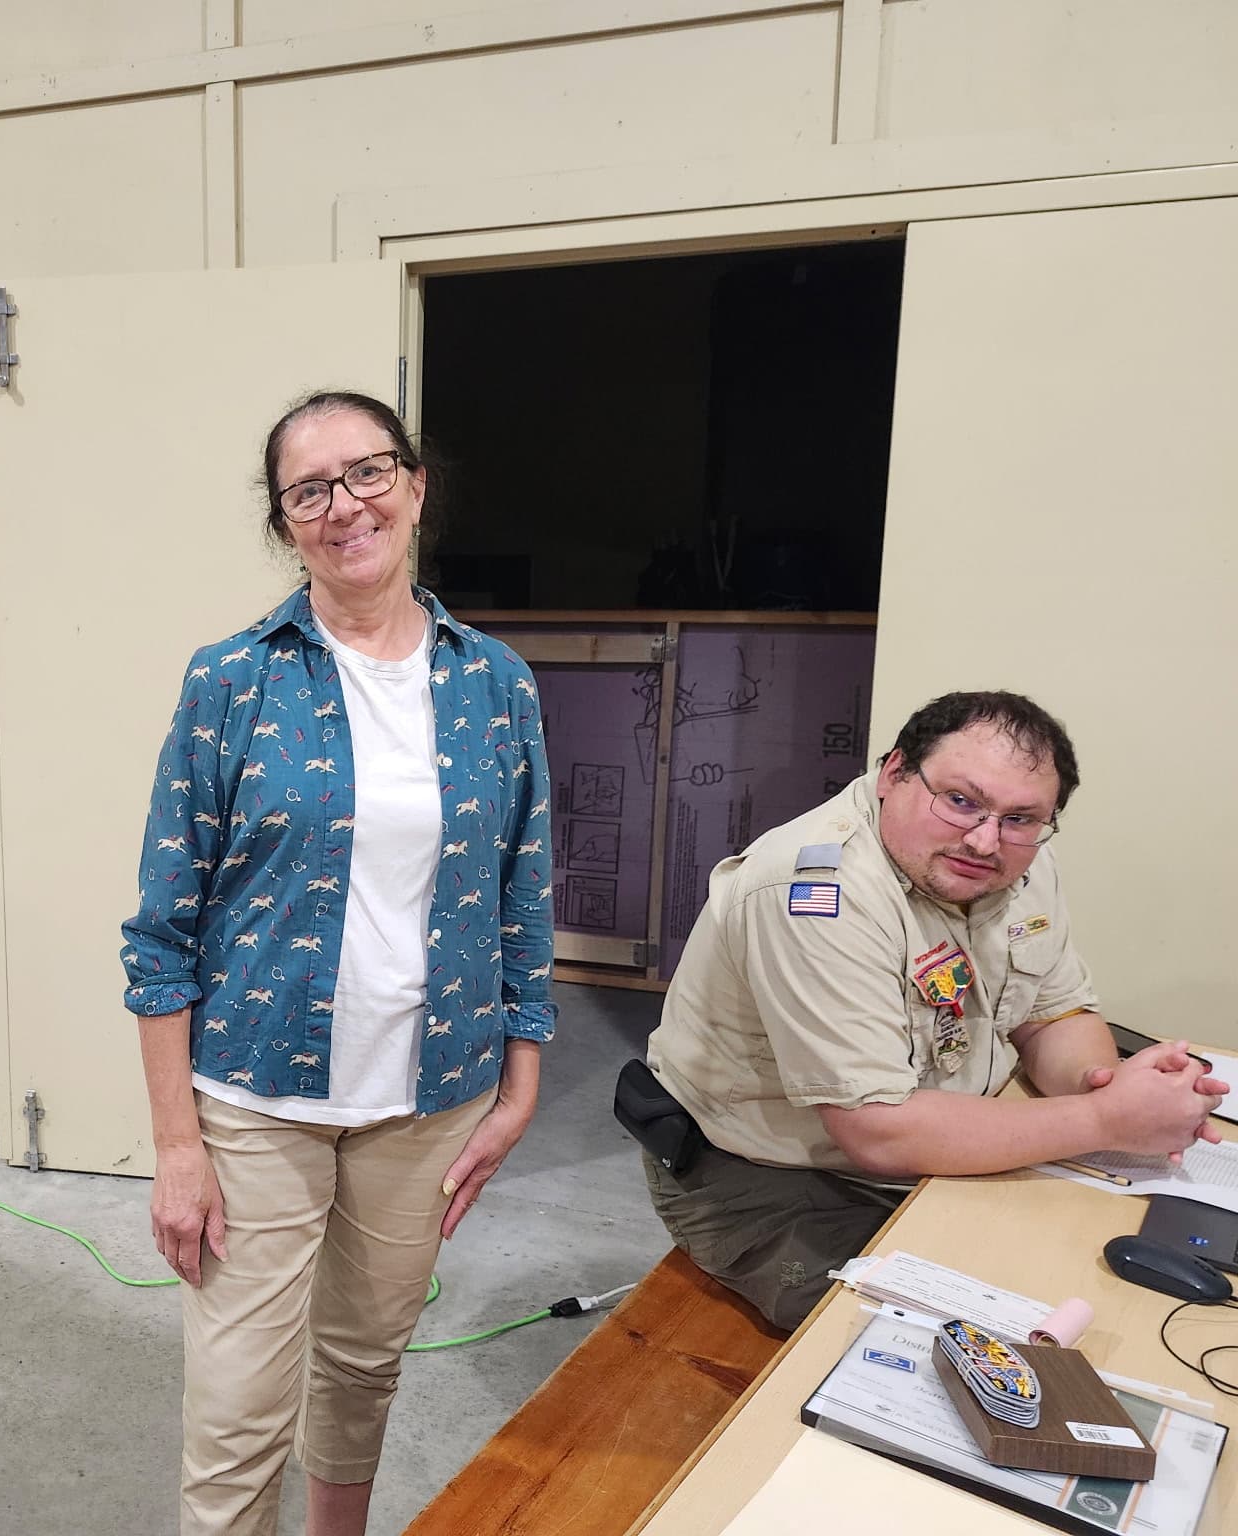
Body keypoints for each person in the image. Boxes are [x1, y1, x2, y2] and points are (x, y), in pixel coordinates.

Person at [118, 391, 556, 1536]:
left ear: (414, 485)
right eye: (308, 490)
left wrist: (519, 1083)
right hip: (257, 1096)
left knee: (363, 1364)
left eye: (367, 472)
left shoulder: (493, 683)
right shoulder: (231, 680)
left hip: (427, 1097)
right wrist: (177, 1147)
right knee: (237, 1411)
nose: (344, 505)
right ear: (283, 523)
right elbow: (162, 930)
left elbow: (522, 894)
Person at [641, 691, 1227, 1331]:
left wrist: (1112, 1087)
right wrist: (1105, 1120)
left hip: (944, 1137)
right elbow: (878, 1130)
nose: (985, 840)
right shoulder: (814, 893)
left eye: (1021, 818)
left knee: (1093, 1286)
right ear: (894, 772)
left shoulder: (1016, 862)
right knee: (935, 1340)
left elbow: (1053, 1014)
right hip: (772, 1179)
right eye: (960, 801)